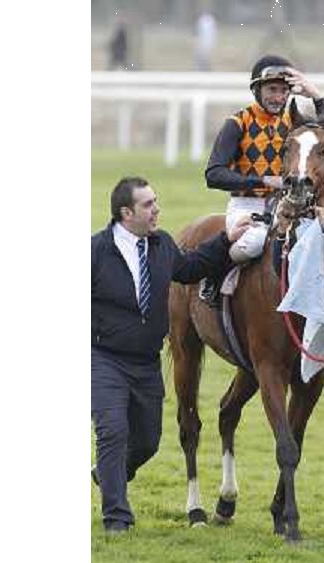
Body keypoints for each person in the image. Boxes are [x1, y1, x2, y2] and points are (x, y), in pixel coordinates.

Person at [91, 176, 252, 534]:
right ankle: (117, 518)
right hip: (104, 359)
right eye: (148, 205)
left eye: (156, 201)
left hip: (146, 363)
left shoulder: (161, 244)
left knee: (146, 441)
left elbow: (191, 268)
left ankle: (108, 471)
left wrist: (227, 239)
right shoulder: (95, 252)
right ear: (126, 212)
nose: (156, 209)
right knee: (113, 432)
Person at [201, 54, 324, 303]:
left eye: (284, 91)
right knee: (254, 243)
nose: (278, 97)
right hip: (247, 205)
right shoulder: (237, 123)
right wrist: (262, 181)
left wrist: (317, 97)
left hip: (287, 204)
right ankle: (214, 274)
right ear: (257, 89)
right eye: (272, 90)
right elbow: (213, 174)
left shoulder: (295, 123)